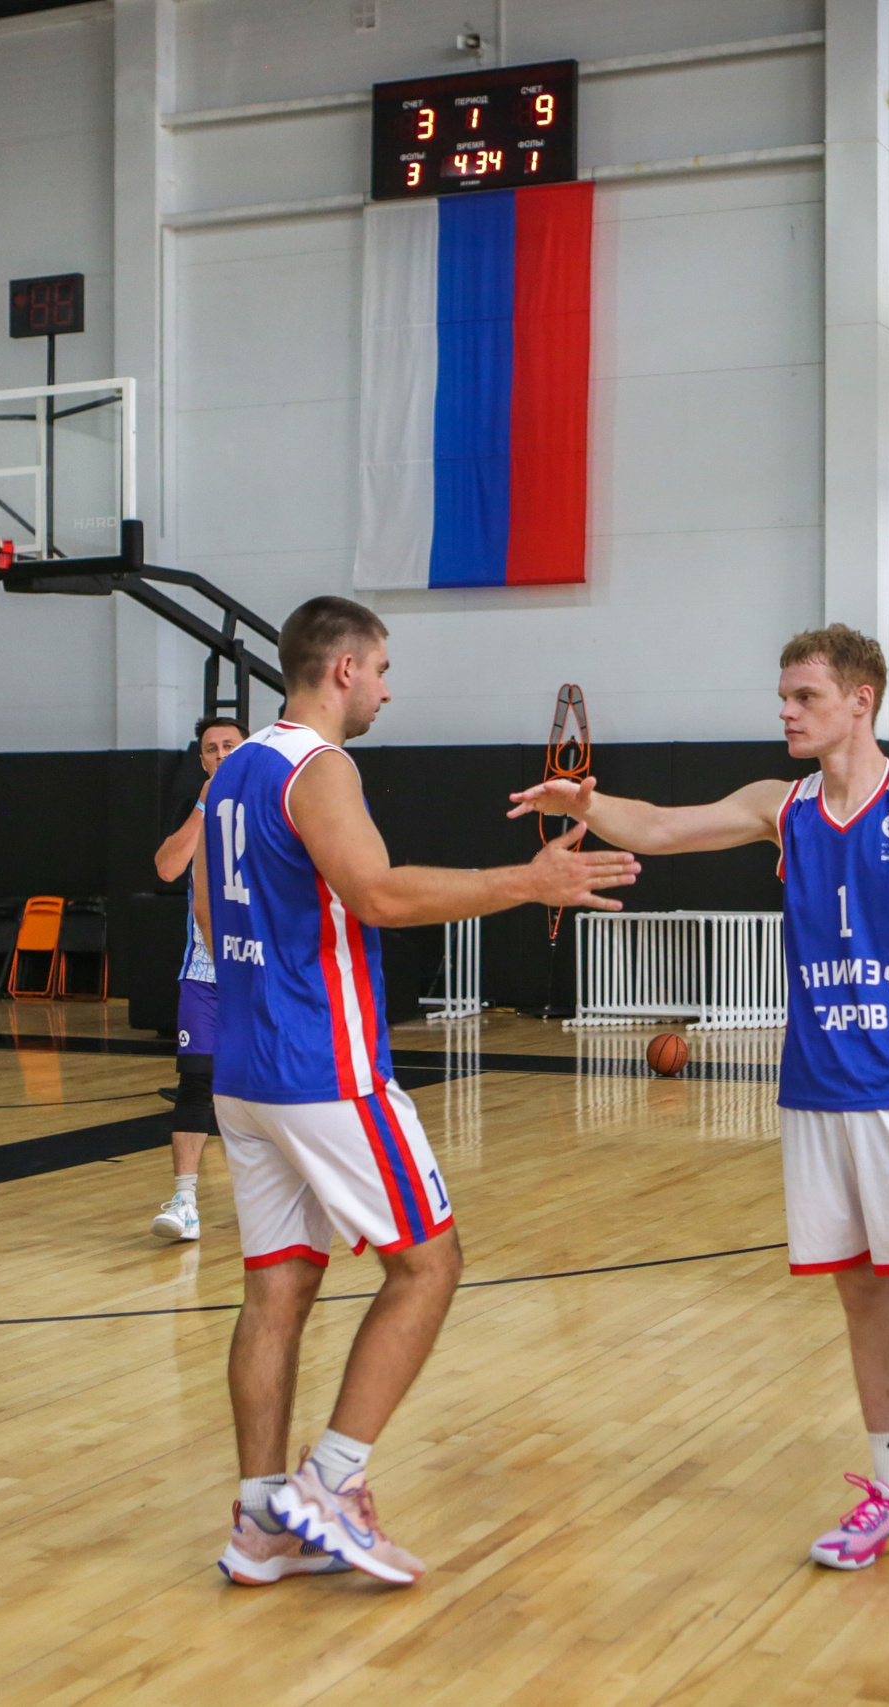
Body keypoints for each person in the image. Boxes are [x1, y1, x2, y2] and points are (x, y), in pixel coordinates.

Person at [512, 624, 889, 1589]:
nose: (785, 710)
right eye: (783, 695)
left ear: (860, 700)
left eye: (804, 696)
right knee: (862, 1292)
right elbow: (661, 826)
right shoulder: (779, 805)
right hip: (817, 1092)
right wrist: (588, 804)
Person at [203, 596, 637, 1588]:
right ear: (343, 669)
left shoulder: (232, 771)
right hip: (323, 1067)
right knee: (430, 1265)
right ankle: (332, 1481)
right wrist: (524, 883)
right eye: (383, 669)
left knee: (277, 1287)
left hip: (245, 1071)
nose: (388, 689)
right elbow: (380, 894)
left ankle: (261, 1524)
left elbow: (207, 910)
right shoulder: (318, 767)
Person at [147, 713, 246, 1242]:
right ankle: (185, 1202)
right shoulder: (197, 807)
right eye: (212, 749)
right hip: (205, 972)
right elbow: (166, 868)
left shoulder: (275, 803)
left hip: (257, 969)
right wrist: (205, 806)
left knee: (267, 1086)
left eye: (230, 745)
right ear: (203, 760)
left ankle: (285, 1194)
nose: (222, 754)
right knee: (196, 1082)